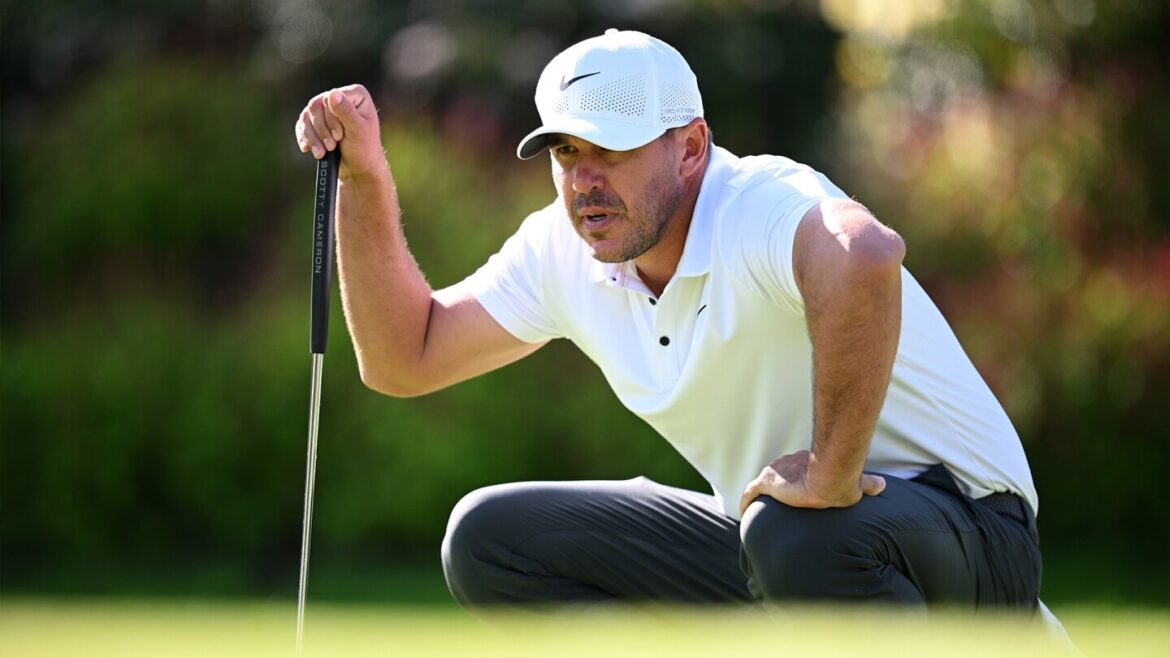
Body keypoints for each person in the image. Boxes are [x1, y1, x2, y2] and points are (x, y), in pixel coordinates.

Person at [293, 29, 1056, 616]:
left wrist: (831, 473)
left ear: (690, 148)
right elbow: (404, 358)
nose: (584, 181)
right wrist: (366, 178)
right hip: (781, 541)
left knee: (793, 534)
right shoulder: (561, 248)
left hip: (974, 532)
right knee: (489, 539)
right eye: (566, 151)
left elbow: (866, 256)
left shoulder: (754, 202)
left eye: (611, 150)